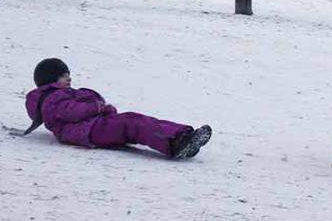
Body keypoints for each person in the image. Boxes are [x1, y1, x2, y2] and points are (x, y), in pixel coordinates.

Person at [23, 58, 212, 159]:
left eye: (68, 75)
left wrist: (99, 108)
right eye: (64, 76)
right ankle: (174, 143)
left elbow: (75, 108)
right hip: (89, 131)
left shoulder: (58, 96)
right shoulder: (52, 99)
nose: (69, 79)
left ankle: (182, 136)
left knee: (133, 119)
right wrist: (97, 107)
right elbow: (71, 112)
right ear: (50, 79)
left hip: (93, 127)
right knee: (132, 123)